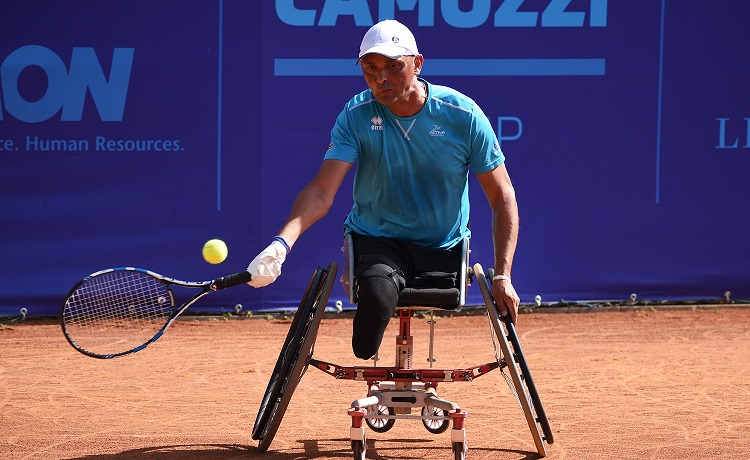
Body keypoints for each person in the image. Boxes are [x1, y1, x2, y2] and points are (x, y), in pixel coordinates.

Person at [247, 19, 520, 360]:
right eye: (370, 68)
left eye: (394, 66)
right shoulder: (356, 114)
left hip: (443, 247)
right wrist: (281, 244)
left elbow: (502, 195)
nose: (381, 79)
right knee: (370, 321)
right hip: (379, 243)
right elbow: (321, 191)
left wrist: (503, 276)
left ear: (417, 64)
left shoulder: (462, 115)